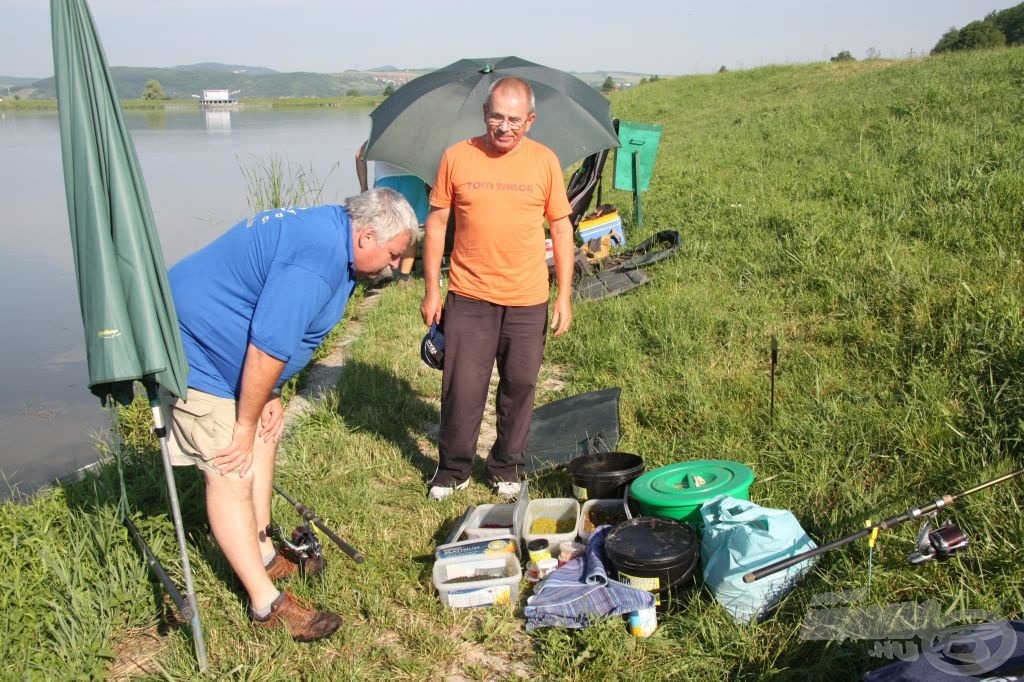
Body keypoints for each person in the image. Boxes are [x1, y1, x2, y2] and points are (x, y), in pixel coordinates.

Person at [161, 188, 418, 641]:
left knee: (265, 437)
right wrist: (242, 423)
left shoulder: (335, 239)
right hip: (193, 350)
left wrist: (271, 393)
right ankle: (266, 604)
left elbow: (275, 321)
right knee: (231, 468)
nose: (395, 267)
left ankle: (262, 552)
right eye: (394, 256)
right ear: (367, 235)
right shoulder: (316, 259)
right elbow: (268, 343)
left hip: (231, 353)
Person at [419, 77, 575, 502]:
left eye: (513, 119)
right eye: (496, 117)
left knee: (520, 385)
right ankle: (453, 469)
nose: (504, 127)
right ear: (484, 115)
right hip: (469, 295)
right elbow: (435, 225)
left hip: (528, 298)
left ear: (530, 120)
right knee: (463, 387)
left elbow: (561, 229)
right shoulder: (457, 157)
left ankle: (507, 465)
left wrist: (564, 295)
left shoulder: (545, 162)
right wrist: (432, 290)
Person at [355, 141, 429, 286]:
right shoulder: (417, 133)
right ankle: (404, 277)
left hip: (385, 181)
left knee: (381, 229)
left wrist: (364, 186)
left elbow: (359, 155)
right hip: (413, 180)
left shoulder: (384, 133)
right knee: (411, 231)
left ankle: (383, 268)